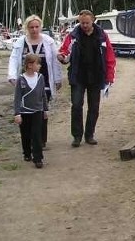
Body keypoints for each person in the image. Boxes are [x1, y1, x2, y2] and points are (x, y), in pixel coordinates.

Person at [57, 10, 116, 147]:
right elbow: (64, 51)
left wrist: (110, 76)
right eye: (81, 22)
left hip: (96, 76)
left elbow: (110, 57)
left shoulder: (102, 36)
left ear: (93, 21)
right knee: (76, 105)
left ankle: (89, 134)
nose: (84, 25)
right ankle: (77, 136)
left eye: (87, 23)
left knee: (94, 107)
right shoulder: (73, 36)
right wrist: (61, 57)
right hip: (78, 76)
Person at [7, 14, 62, 149]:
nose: (34, 29)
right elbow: (14, 59)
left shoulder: (48, 41)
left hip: (44, 83)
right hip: (26, 83)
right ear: (27, 28)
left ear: (40, 27)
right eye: (31, 27)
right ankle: (31, 139)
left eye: (37, 26)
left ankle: (41, 140)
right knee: (28, 112)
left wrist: (58, 78)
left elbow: (54, 60)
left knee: (42, 110)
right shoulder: (21, 42)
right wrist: (12, 75)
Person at [14, 53, 48, 168]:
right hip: (24, 111)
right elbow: (17, 97)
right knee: (25, 134)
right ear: (29, 65)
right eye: (37, 63)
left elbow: (43, 94)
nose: (39, 66)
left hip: (37, 111)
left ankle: (38, 158)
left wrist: (45, 109)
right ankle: (27, 152)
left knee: (37, 134)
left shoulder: (40, 77)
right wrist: (17, 113)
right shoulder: (21, 79)